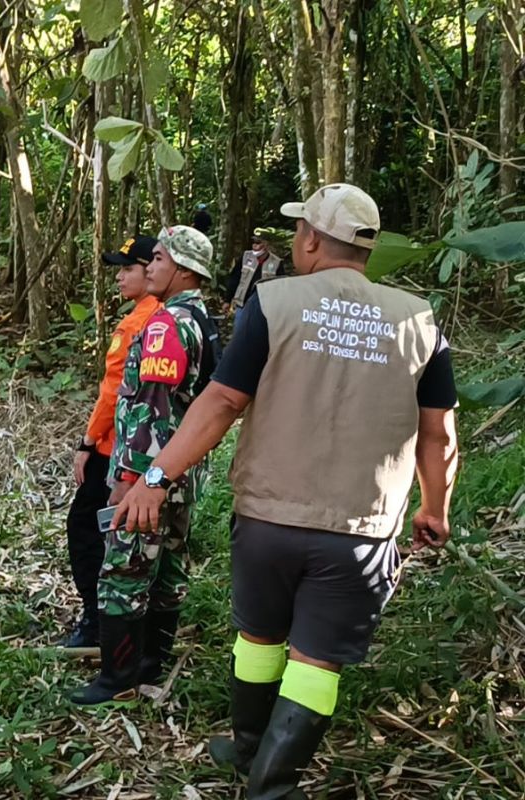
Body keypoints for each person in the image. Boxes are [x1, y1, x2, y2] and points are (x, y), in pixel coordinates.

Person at [114, 184, 459, 798]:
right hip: (361, 529)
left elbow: (221, 402)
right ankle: (268, 781)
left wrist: (156, 478)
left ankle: (249, 753)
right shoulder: (419, 321)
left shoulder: (273, 303)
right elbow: (439, 435)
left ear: (308, 241)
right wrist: (435, 508)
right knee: (317, 659)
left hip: (268, 518)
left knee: (259, 636)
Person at [69, 225, 215, 705]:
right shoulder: (201, 320)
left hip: (149, 476)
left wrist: (129, 481)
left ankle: (117, 676)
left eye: (159, 260)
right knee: (169, 564)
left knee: (123, 571)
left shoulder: (165, 325)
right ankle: (153, 660)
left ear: (184, 270)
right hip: (180, 471)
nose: (150, 266)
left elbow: (151, 406)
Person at [62, 237, 162, 648]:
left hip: (117, 451)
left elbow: (113, 392)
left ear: (151, 271)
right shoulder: (169, 317)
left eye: (128, 269)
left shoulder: (138, 323)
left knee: (87, 528)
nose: (120, 277)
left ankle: (96, 619)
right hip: (154, 451)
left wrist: (88, 442)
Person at [225, 232, 289, 328]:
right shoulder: (246, 257)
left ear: (266, 245)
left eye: (258, 242)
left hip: (263, 308)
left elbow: (280, 289)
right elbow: (235, 278)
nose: (254, 245)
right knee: (239, 333)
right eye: (253, 242)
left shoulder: (276, 263)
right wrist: (227, 300)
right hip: (242, 304)